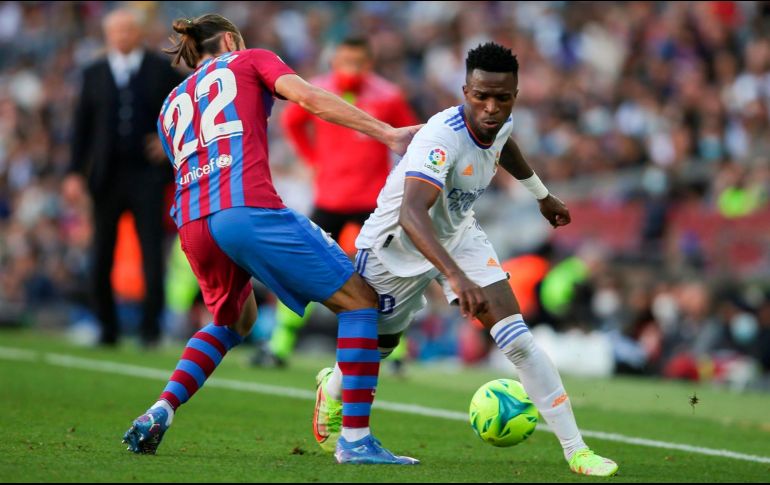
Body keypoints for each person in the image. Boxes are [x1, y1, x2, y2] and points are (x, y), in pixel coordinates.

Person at [121, 13, 420, 465]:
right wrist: (387, 132)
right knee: (360, 301)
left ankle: (160, 409)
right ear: (229, 40)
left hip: (193, 223)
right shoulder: (250, 58)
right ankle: (356, 440)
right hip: (245, 210)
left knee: (233, 322)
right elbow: (310, 98)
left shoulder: (170, 104)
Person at [312, 42, 619, 476]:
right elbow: (411, 213)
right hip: (395, 247)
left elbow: (504, 145)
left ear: (515, 95)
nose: (491, 108)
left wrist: (542, 195)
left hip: (458, 236)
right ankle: (332, 387)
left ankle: (577, 451)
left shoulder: (501, 121)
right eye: (481, 97)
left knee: (518, 340)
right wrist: (455, 278)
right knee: (374, 351)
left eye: (502, 98)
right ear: (465, 92)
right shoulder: (442, 138)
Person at [253, 37, 418, 368]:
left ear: (369, 64)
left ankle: (396, 353)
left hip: (373, 201)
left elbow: (411, 138)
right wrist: (312, 159)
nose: (350, 69)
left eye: (357, 62)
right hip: (329, 199)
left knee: (389, 274)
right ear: (334, 61)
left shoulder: (388, 95)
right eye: (344, 61)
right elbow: (292, 123)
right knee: (299, 269)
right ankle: (279, 346)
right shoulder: (319, 92)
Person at [65, 9, 184, 347]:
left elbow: (184, 112)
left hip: (148, 175)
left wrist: (167, 142)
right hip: (107, 176)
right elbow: (81, 127)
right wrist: (74, 172)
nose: (122, 36)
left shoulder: (161, 71)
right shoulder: (94, 73)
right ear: (107, 35)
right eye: (116, 31)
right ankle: (107, 327)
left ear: (140, 33)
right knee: (102, 251)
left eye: (128, 30)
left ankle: (150, 329)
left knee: (151, 252)